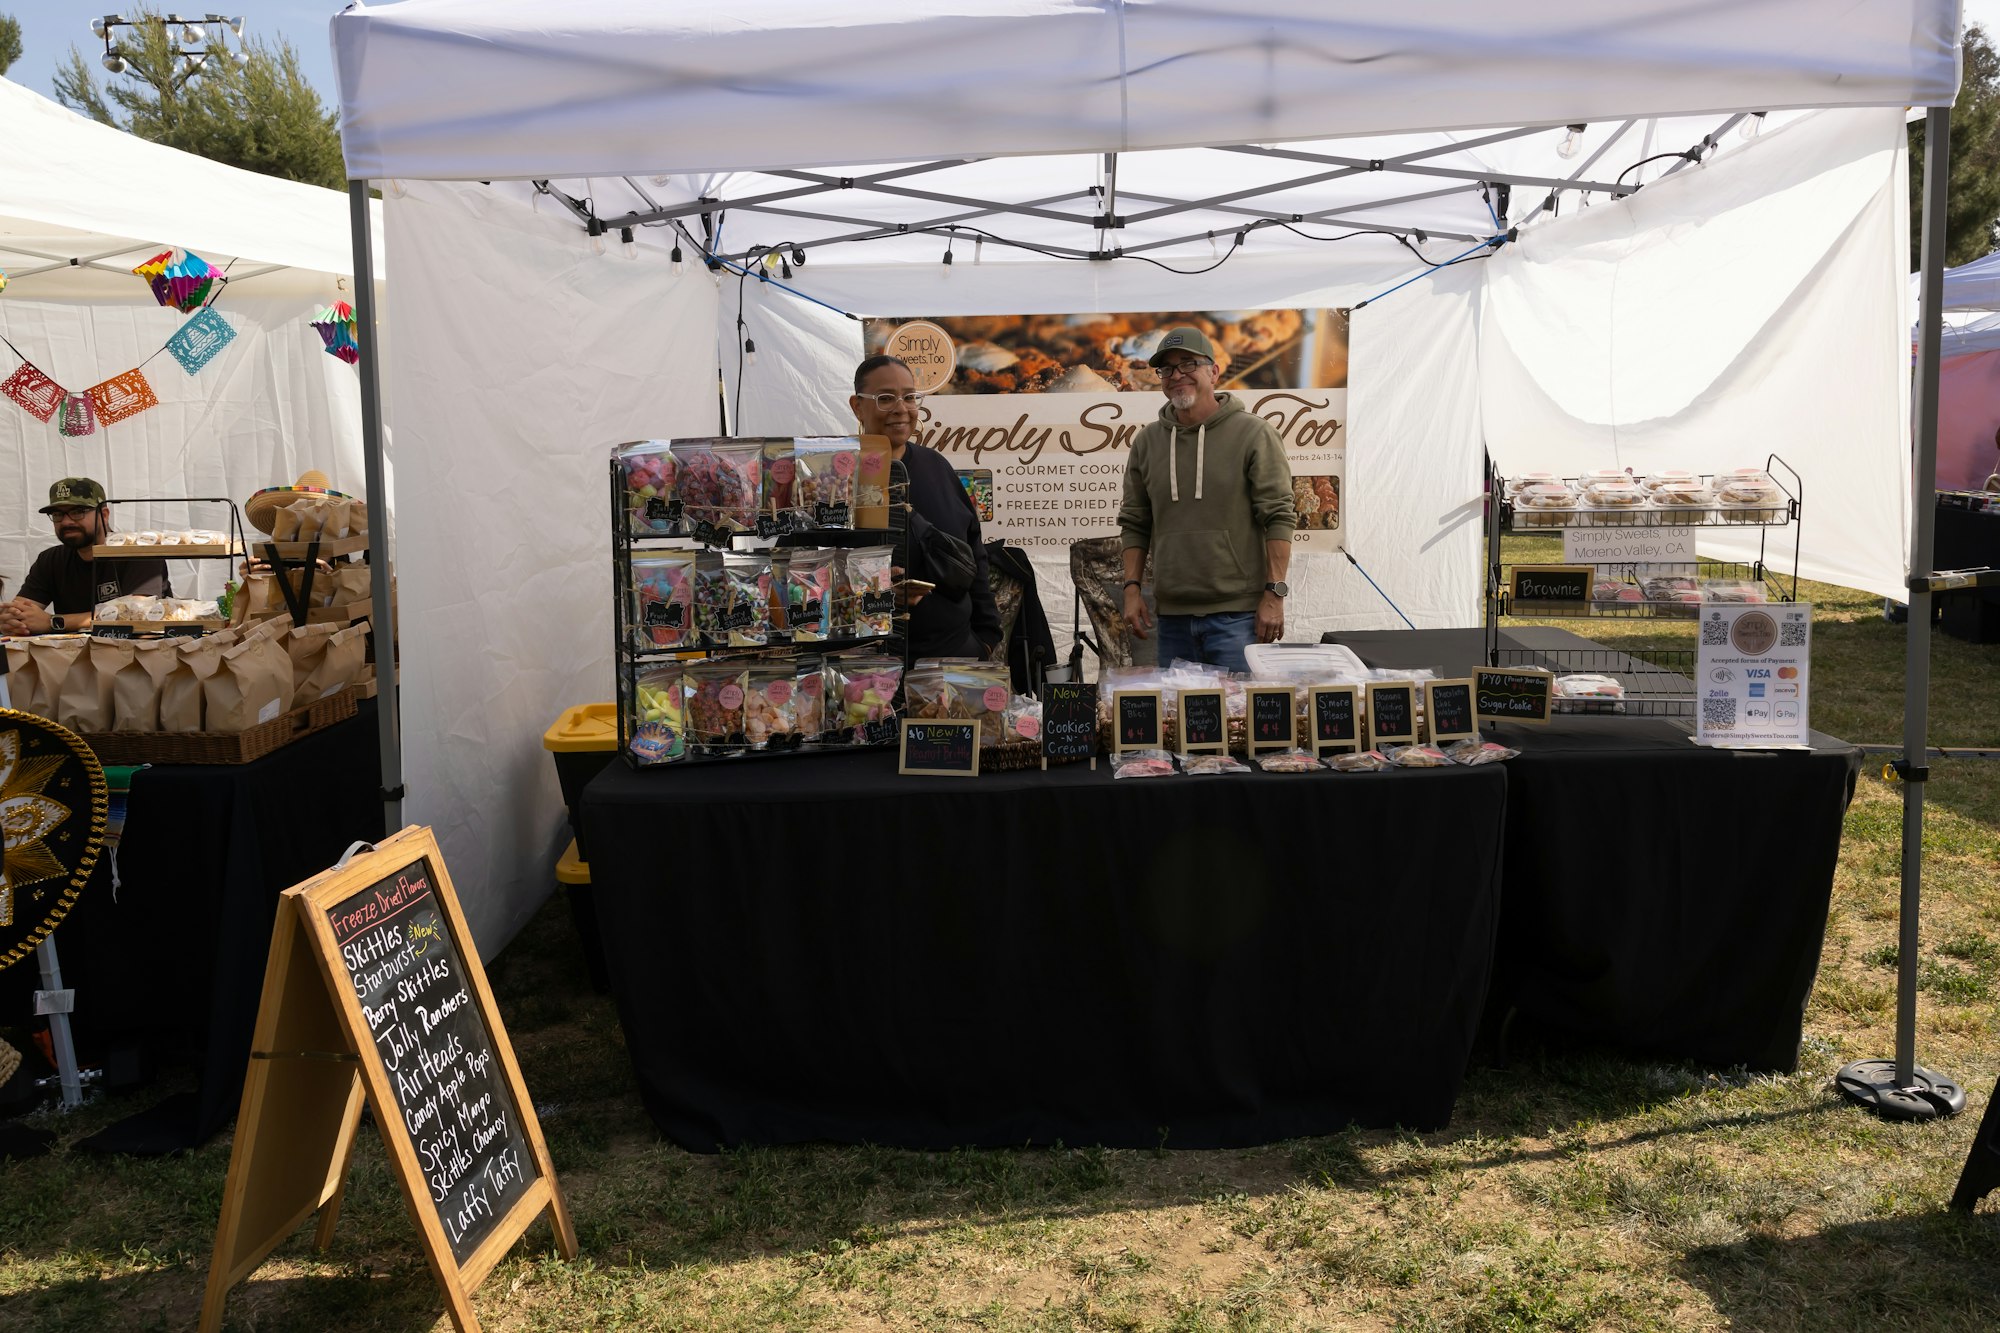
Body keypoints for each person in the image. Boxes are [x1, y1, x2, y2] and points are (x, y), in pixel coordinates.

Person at [1116, 327, 1297, 674]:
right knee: (1180, 726)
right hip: (1170, 620)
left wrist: (1275, 595)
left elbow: (1278, 515)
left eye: (1188, 364)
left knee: (1240, 724)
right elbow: (1135, 521)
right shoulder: (1148, 442)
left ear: (1213, 372)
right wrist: (1131, 589)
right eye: (1166, 369)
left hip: (1239, 619)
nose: (1176, 376)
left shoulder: (1254, 434)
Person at [850, 354, 1002, 660]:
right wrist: (875, 596)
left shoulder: (936, 467)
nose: (901, 409)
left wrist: (986, 636)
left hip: (949, 657)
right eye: (885, 398)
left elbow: (973, 550)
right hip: (863, 668)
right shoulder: (834, 475)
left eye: (909, 397)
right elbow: (804, 570)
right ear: (857, 405)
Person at [0, 478, 171, 636]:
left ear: (104, 515)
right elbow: (20, 611)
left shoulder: (139, 552)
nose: (66, 522)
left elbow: (137, 612)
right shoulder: (50, 560)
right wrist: (12, 620)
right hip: (71, 661)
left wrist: (55, 622)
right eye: (58, 514)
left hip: (135, 659)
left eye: (78, 511)